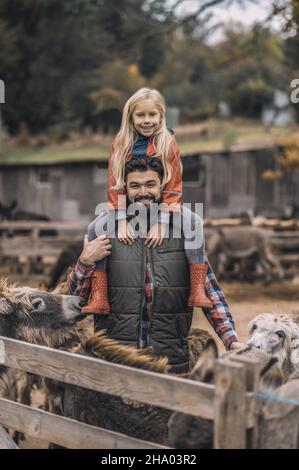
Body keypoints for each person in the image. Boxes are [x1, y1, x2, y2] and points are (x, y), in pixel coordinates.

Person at [68, 158, 244, 373]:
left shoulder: (184, 233)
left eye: (150, 184)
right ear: (125, 189)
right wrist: (85, 261)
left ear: (163, 186)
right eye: (135, 186)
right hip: (115, 360)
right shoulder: (106, 232)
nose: (143, 192)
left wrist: (231, 339)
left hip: (169, 361)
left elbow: (210, 292)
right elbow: (75, 299)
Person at [81, 87, 212, 316]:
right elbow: (116, 183)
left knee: (194, 222)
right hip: (126, 202)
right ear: (131, 117)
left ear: (161, 116)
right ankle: (99, 292)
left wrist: (162, 221)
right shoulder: (121, 143)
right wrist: (121, 219)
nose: (147, 120)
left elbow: (173, 184)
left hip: (164, 203)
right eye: (140, 115)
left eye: (152, 115)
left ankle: (198, 287)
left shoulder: (167, 142)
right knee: (95, 228)